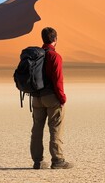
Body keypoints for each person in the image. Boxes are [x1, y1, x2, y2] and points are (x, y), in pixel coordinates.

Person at [30, 27, 72, 169]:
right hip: (51, 97)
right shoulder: (55, 56)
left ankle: (38, 161)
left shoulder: (36, 55)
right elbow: (58, 79)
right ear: (55, 39)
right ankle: (57, 160)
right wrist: (62, 98)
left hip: (36, 98)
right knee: (55, 128)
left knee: (37, 129)